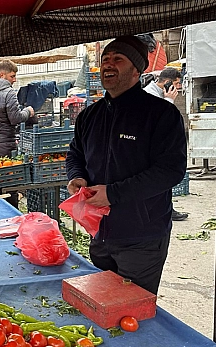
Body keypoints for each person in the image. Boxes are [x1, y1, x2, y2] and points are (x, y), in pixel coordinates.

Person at [66, 36, 187, 295]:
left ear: (136, 69)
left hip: (141, 236)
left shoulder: (161, 114)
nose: (108, 64)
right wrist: (77, 177)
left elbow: (171, 170)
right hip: (99, 233)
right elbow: (75, 154)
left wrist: (112, 193)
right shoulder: (90, 115)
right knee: (102, 302)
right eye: (105, 60)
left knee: (132, 309)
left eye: (118, 59)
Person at [143, 67, 189, 222]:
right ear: (168, 82)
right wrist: (169, 100)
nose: (177, 87)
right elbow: (161, 120)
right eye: (176, 83)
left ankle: (166, 208)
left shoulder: (157, 93)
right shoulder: (150, 94)